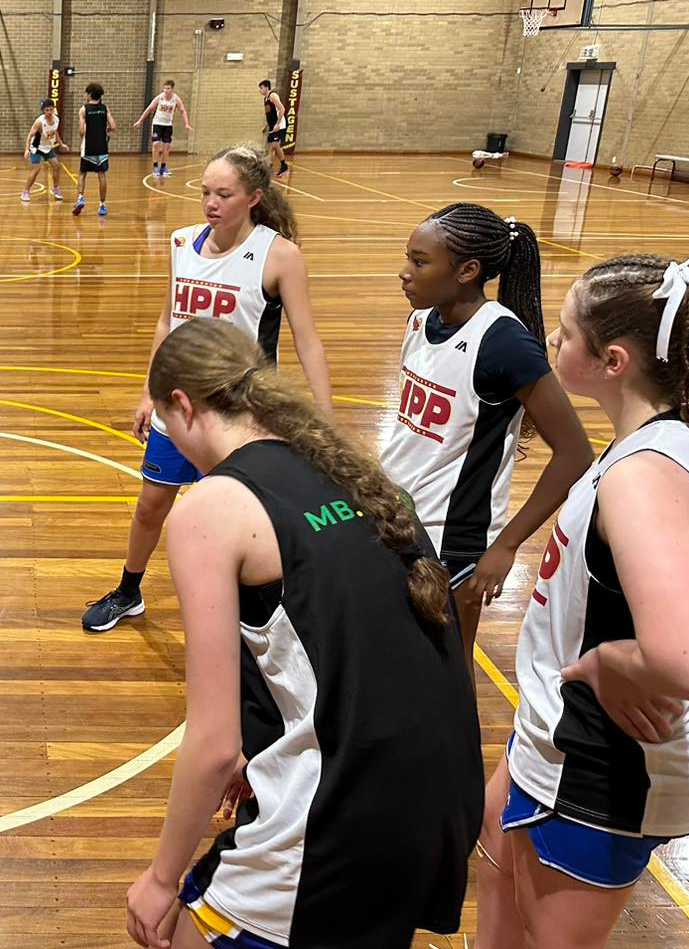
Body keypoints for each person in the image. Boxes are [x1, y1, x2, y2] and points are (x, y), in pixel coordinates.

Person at [124, 318, 482, 949]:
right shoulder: (357, 475)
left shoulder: (210, 509)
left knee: (173, 927)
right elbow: (341, 641)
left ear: (183, 405)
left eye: (161, 423)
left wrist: (160, 877)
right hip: (437, 806)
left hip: (337, 820)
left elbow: (211, 744)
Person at [476, 252, 689, 949]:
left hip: (601, 771)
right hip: (554, 738)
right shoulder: (653, 445)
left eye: (565, 334)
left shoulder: (645, 476)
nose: (552, 343)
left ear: (612, 360)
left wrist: (622, 661)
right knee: (492, 860)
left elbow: (688, 656)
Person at [82, 145, 333, 633]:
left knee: (230, 520)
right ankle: (128, 591)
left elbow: (308, 340)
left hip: (241, 417)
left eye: (224, 194)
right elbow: (166, 321)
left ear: (254, 197)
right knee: (151, 505)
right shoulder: (181, 243)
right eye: (205, 193)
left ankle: (241, 619)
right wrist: (147, 393)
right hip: (178, 408)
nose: (211, 203)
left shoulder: (279, 254)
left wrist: (324, 419)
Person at [380, 203, 592, 658]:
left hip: (452, 541)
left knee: (445, 669)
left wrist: (505, 546)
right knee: (392, 658)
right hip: (395, 515)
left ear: (467, 270)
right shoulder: (421, 318)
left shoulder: (503, 342)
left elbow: (575, 452)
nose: (404, 272)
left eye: (419, 261)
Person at [133, 79, 191, 179]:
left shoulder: (176, 99)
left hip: (168, 125)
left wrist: (186, 124)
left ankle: (163, 167)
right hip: (157, 123)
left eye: (168, 88)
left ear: (172, 89)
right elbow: (149, 109)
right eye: (164, 88)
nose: (165, 90)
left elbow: (183, 111)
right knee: (156, 144)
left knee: (167, 146)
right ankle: (155, 166)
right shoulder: (160, 97)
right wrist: (140, 120)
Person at [73, 82, 115, 217]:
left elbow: (80, 130)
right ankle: (102, 205)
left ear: (90, 94)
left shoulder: (84, 109)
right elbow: (113, 126)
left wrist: (83, 136)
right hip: (102, 146)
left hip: (88, 146)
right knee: (101, 175)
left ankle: (80, 197)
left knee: (82, 173)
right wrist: (107, 131)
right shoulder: (104, 108)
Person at [21, 98, 66, 202]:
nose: (49, 112)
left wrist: (61, 143)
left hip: (48, 147)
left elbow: (55, 132)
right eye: (47, 110)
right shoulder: (40, 122)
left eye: (51, 109)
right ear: (43, 111)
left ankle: (55, 189)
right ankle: (25, 191)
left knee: (56, 166)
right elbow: (30, 135)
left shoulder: (56, 119)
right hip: (37, 147)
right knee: (36, 169)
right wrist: (27, 149)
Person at [258, 80, 288, 176]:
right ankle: (269, 168)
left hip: (279, 125)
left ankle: (284, 166)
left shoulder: (273, 96)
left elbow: (282, 109)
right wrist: (266, 125)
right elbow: (270, 114)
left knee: (274, 146)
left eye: (261, 88)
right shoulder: (265, 99)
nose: (260, 90)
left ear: (267, 87)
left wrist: (277, 124)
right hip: (272, 126)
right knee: (271, 149)